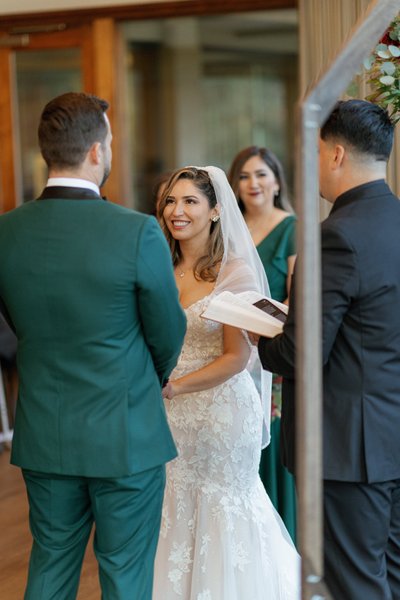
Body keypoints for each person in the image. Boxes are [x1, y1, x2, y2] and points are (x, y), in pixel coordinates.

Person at [0, 92, 186, 600]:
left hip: (45, 430)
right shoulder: (137, 232)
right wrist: (149, 376)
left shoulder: (5, 233)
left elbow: (15, 325)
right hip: (125, 433)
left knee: (50, 566)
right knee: (125, 576)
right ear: (98, 151)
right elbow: (167, 333)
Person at [257, 99, 400, 600]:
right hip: (391, 434)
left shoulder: (336, 236)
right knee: (390, 576)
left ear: (335, 154)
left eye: (313, 151)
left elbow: (300, 353)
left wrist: (260, 336)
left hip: (347, 448)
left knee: (354, 585)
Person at [153, 165, 300, 599]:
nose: (176, 211)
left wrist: (176, 386)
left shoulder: (233, 271)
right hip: (167, 413)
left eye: (190, 201)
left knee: (223, 509)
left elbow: (237, 358)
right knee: (174, 508)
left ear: (216, 211)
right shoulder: (160, 265)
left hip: (219, 412)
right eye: (170, 201)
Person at [228, 146, 297, 542]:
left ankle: (281, 543)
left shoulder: (291, 227)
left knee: (268, 440)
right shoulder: (229, 231)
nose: (253, 183)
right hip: (230, 350)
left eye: (261, 174)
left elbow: (294, 295)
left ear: (276, 181)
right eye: (244, 176)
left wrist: (255, 325)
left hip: (271, 351)